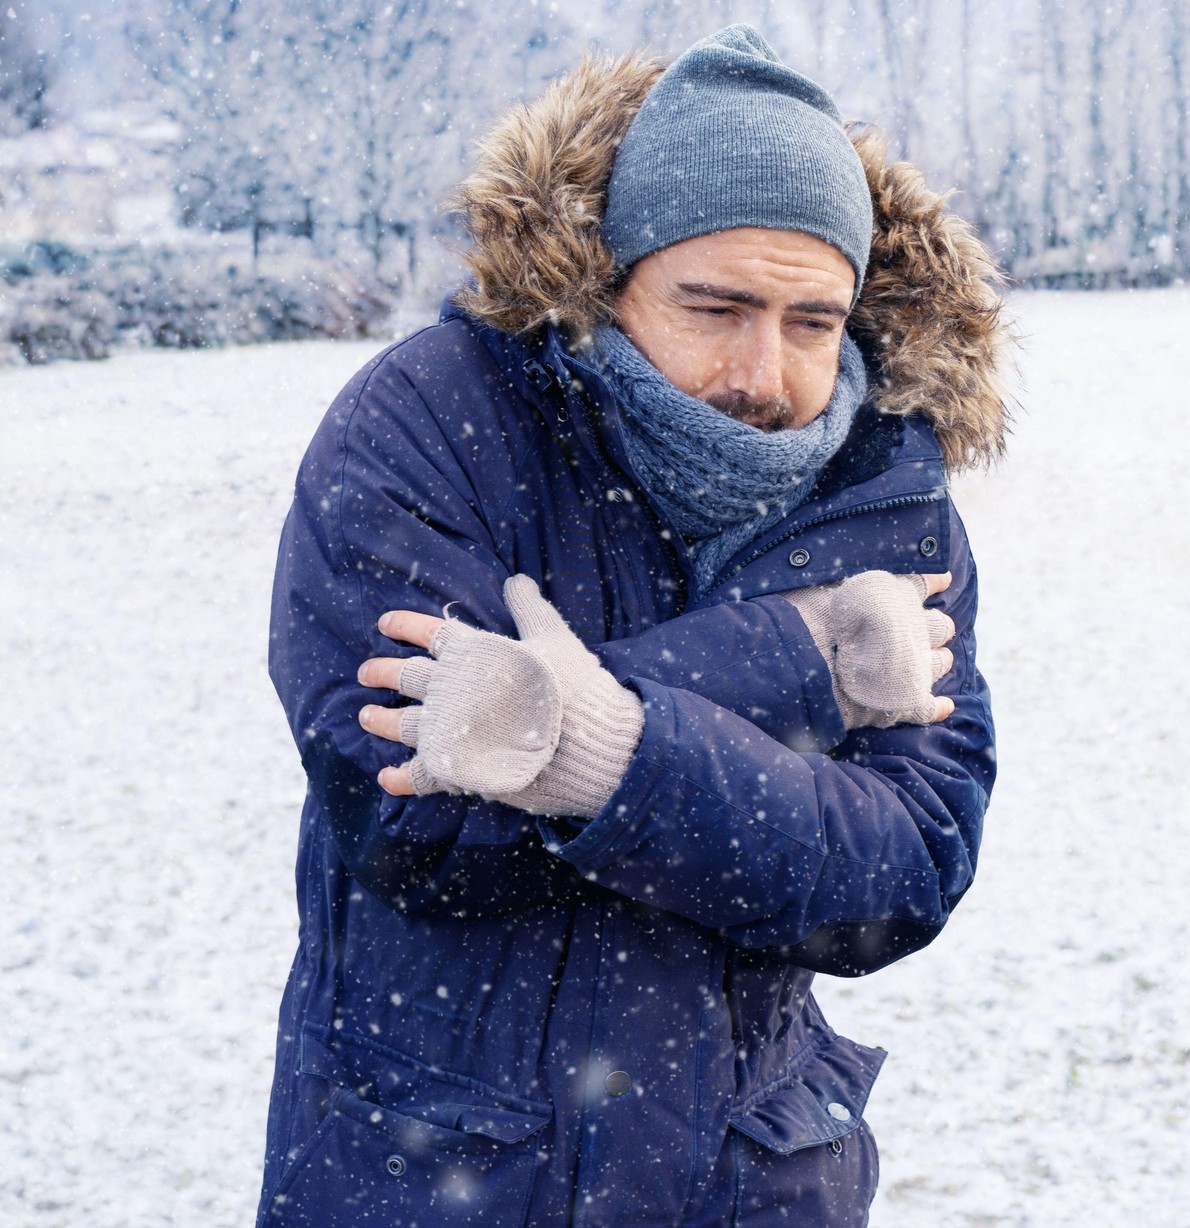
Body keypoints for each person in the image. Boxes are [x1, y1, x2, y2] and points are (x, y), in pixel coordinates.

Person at [256, 24, 1012, 1228]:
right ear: (606, 277)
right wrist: (801, 660)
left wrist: (567, 735)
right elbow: (419, 822)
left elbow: (905, 872)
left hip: (750, 1183)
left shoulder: (887, 497)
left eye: (813, 321)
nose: (763, 372)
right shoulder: (426, 426)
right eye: (715, 306)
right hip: (439, 1179)